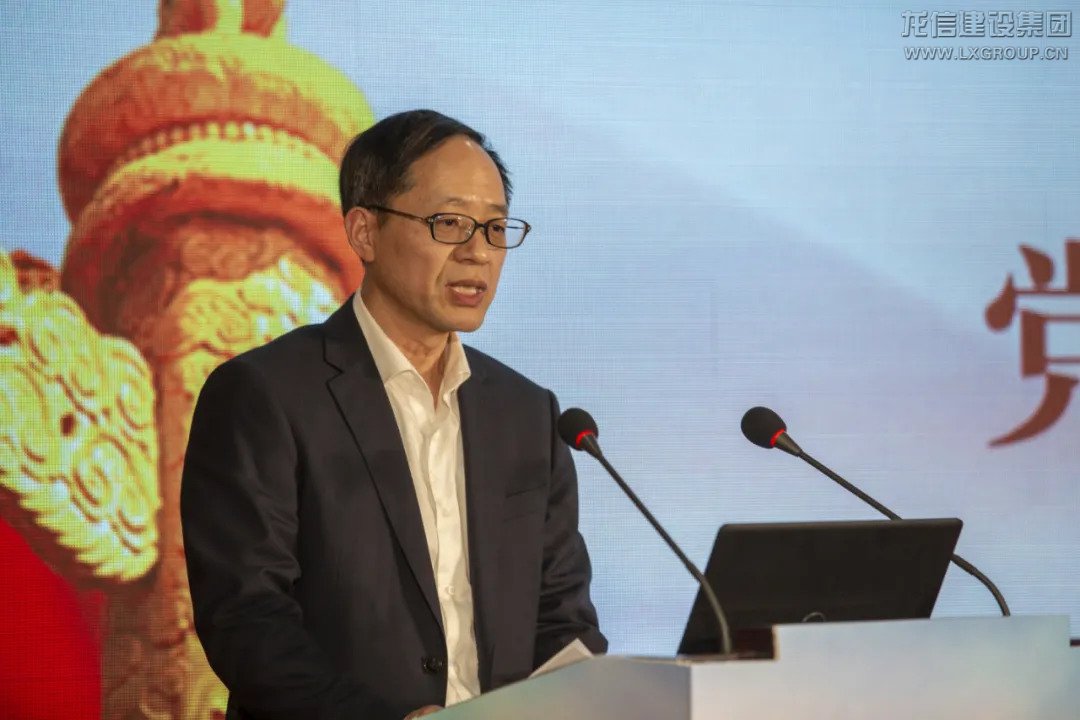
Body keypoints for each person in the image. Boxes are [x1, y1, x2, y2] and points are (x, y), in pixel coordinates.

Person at [180, 109, 607, 720]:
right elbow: (247, 617)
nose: (478, 253)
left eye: (494, 228)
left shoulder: (527, 414)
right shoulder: (264, 395)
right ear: (365, 232)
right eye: (450, 223)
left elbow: (563, 617)